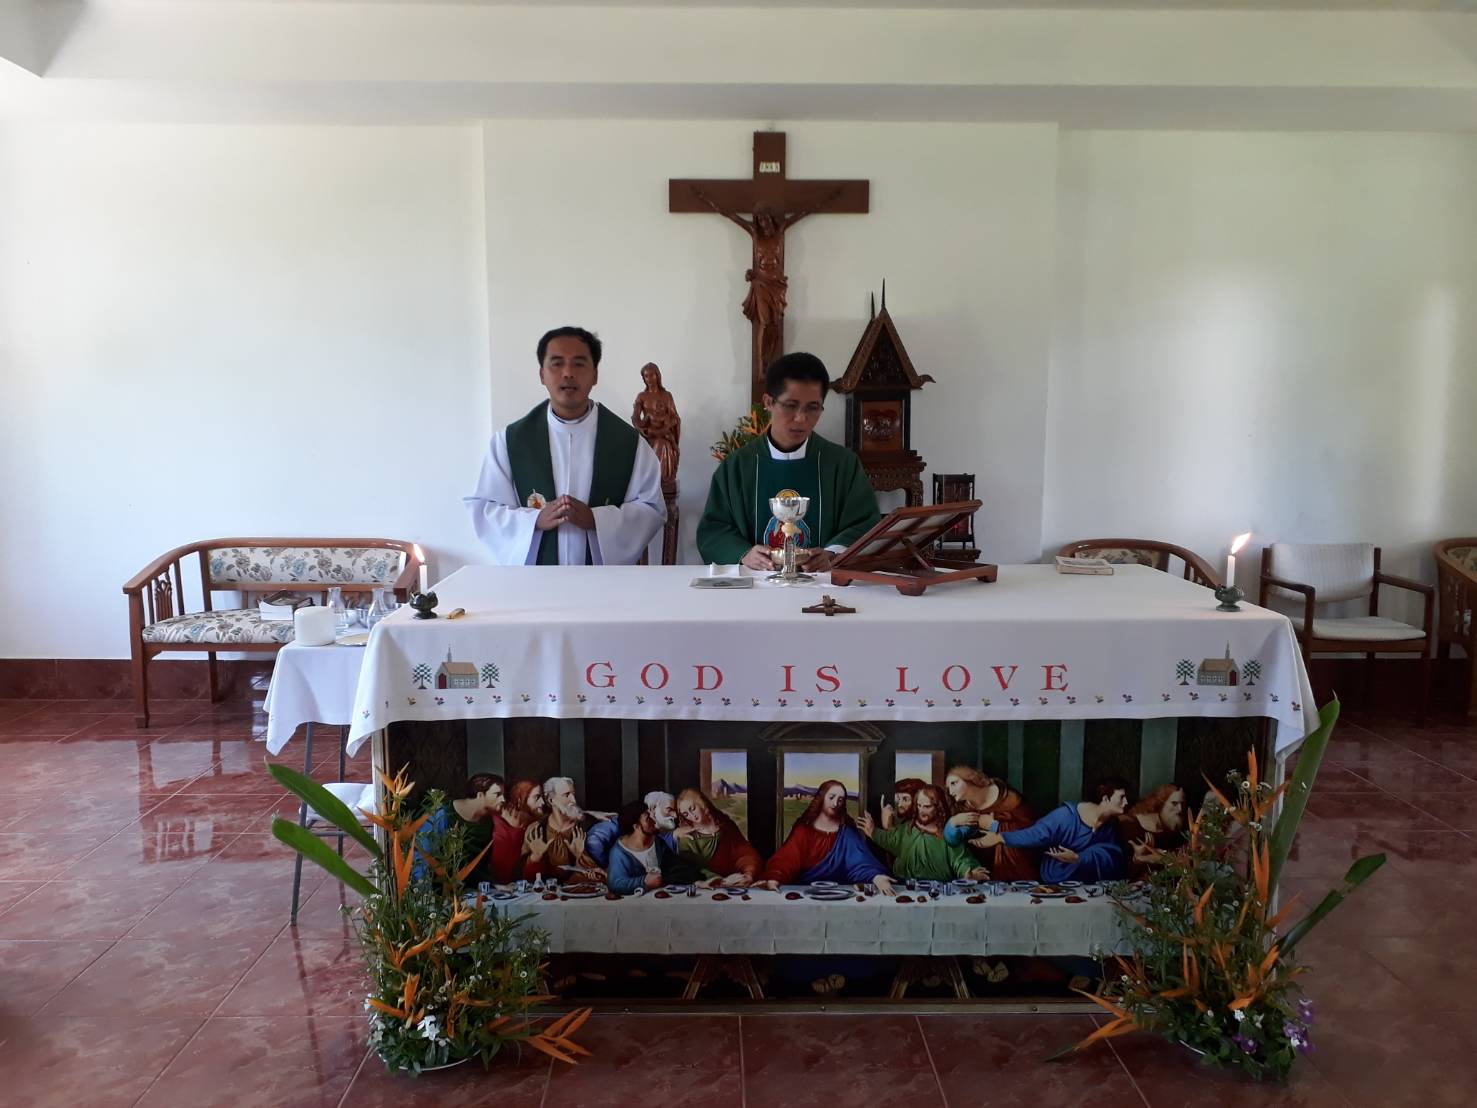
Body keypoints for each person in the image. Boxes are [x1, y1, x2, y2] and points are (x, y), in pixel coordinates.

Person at [465, 326, 665, 565]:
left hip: (602, 584)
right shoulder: (508, 442)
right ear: (542, 374)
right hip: (535, 582)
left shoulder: (628, 443)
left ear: (595, 375)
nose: (568, 373)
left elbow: (651, 508)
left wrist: (597, 520)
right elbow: (485, 509)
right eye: (557, 363)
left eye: (579, 364)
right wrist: (535, 520)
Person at [696, 352, 882, 572]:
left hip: (823, 584)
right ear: (768, 402)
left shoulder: (842, 465)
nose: (801, 418)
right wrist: (744, 554)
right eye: (791, 405)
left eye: (812, 407)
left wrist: (833, 553)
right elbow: (714, 530)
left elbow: (865, 524)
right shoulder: (737, 467)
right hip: (756, 583)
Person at [972, 778, 1130, 884]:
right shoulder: (1066, 816)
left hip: (1089, 884)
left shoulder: (1110, 826)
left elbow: (1113, 857)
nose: (1126, 802)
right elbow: (1036, 834)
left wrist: (1079, 858)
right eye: (1122, 797)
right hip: (1057, 879)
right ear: (1105, 799)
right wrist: (1001, 837)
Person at [756, 780, 895, 895]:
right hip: (805, 894)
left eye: (840, 800)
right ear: (822, 798)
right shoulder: (803, 831)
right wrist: (774, 878)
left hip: (842, 894)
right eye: (832, 797)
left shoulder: (846, 833)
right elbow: (786, 860)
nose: (835, 803)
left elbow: (861, 863)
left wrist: (877, 877)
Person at [860, 784, 990, 883]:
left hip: (938, 890)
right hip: (905, 887)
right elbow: (890, 840)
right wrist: (873, 831)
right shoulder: (908, 829)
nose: (921, 811)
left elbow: (961, 860)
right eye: (919, 805)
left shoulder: (948, 835)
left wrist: (969, 873)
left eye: (927, 807)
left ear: (938, 807)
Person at [941, 765, 1038, 881]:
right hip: (982, 865)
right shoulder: (964, 807)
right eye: (949, 787)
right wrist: (954, 822)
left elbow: (1029, 829)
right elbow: (953, 840)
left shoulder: (1008, 798)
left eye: (954, 783)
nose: (951, 791)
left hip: (1012, 864)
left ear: (970, 778)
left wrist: (994, 826)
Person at [415, 773, 502, 883]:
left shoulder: (488, 823)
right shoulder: (443, 814)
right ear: (480, 795)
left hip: (470, 888)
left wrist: (491, 885)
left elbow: (480, 866)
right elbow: (422, 854)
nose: (503, 799)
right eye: (497, 794)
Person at [672, 787, 762, 887]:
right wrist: (720, 880)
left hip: (737, 882)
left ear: (702, 803)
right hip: (708, 885)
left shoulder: (726, 825)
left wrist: (748, 874)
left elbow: (745, 853)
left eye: (692, 809)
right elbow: (691, 867)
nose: (691, 815)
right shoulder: (687, 837)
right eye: (686, 814)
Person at [522, 775, 601, 882]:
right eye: (567, 795)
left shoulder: (589, 827)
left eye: (573, 794)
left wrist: (580, 856)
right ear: (551, 800)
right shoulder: (536, 829)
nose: (573, 800)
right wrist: (535, 857)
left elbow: (601, 876)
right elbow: (525, 878)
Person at [606, 801, 687, 895]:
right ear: (636, 826)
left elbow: (676, 868)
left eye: (652, 815)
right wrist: (643, 881)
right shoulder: (619, 853)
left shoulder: (658, 843)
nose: (654, 820)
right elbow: (615, 884)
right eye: (648, 818)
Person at [585, 790, 676, 870]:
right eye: (669, 810)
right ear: (653, 808)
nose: (675, 815)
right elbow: (594, 841)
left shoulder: (654, 832)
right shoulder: (617, 826)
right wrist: (611, 868)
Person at [1118, 783, 1188, 879]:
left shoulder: (1174, 833)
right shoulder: (1129, 824)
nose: (1180, 809)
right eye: (1174, 803)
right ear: (1160, 803)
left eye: (1182, 804)